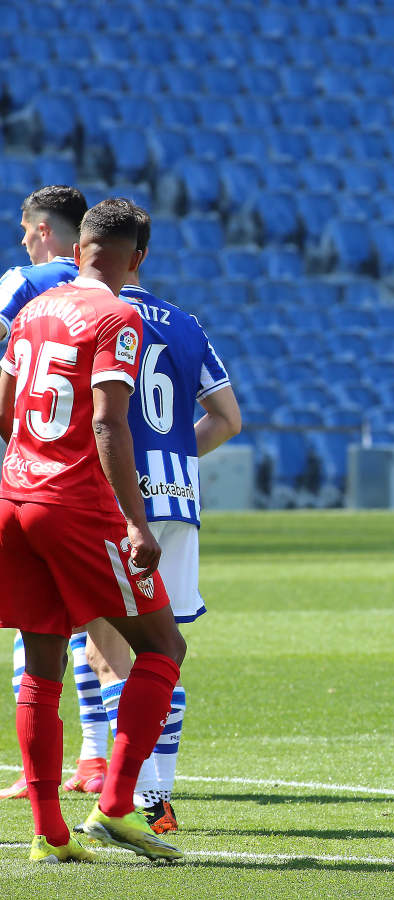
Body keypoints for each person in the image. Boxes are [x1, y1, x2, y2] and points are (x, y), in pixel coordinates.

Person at [0, 197, 184, 862]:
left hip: (15, 495)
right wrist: (136, 523)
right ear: (137, 259)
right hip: (73, 503)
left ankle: (48, 834)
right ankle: (113, 806)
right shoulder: (119, 314)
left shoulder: (31, 311)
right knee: (164, 646)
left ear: (77, 251)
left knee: (40, 664)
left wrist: (34, 461)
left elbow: (4, 408)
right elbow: (108, 423)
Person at [78, 204, 241, 835]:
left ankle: (135, 796)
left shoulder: (87, 314)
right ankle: (160, 795)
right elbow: (228, 418)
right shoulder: (183, 322)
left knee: (107, 652)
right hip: (176, 501)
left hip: (111, 501)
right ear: (141, 255)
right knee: (164, 651)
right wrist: (172, 455)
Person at [0, 185, 113, 803]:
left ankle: (38, 769)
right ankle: (96, 759)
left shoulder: (24, 279)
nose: (21, 241)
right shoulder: (110, 292)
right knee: (93, 622)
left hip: (30, 474)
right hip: (91, 480)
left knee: (33, 626)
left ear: (44, 230)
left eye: (24, 230)